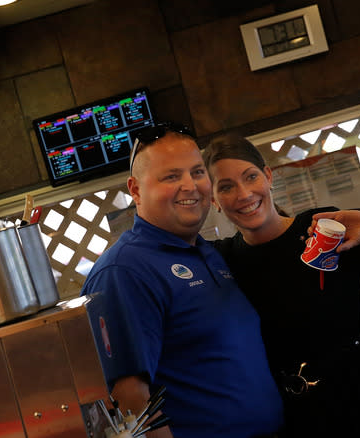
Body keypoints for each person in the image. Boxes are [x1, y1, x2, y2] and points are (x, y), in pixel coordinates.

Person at [202, 134, 360, 438]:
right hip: (295, 418)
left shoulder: (323, 231)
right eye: (226, 187)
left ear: (268, 177)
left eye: (251, 177)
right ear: (213, 200)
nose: (244, 194)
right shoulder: (221, 259)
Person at [80, 123, 284, 438]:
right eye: (171, 176)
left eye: (197, 172)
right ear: (135, 190)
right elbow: (130, 399)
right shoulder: (124, 271)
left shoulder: (208, 253)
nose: (190, 186)